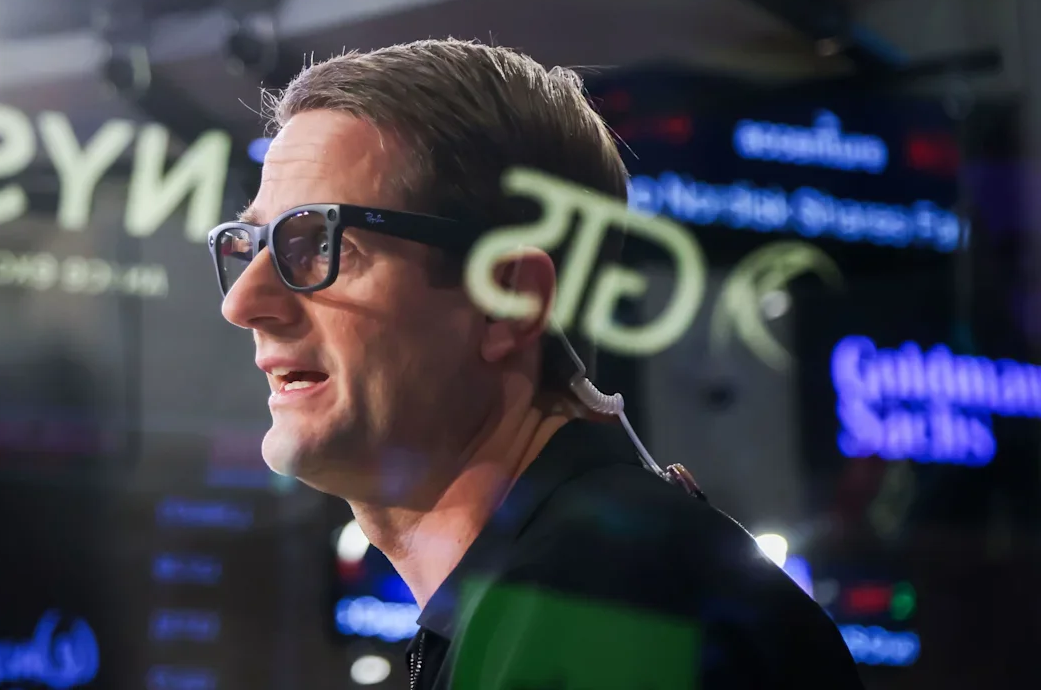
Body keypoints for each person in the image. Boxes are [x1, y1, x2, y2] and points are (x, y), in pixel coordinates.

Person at [208, 39, 862, 689]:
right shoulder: (560, 587)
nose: (242, 303)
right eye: (251, 245)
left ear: (508, 302)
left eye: (319, 243)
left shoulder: (602, 604)